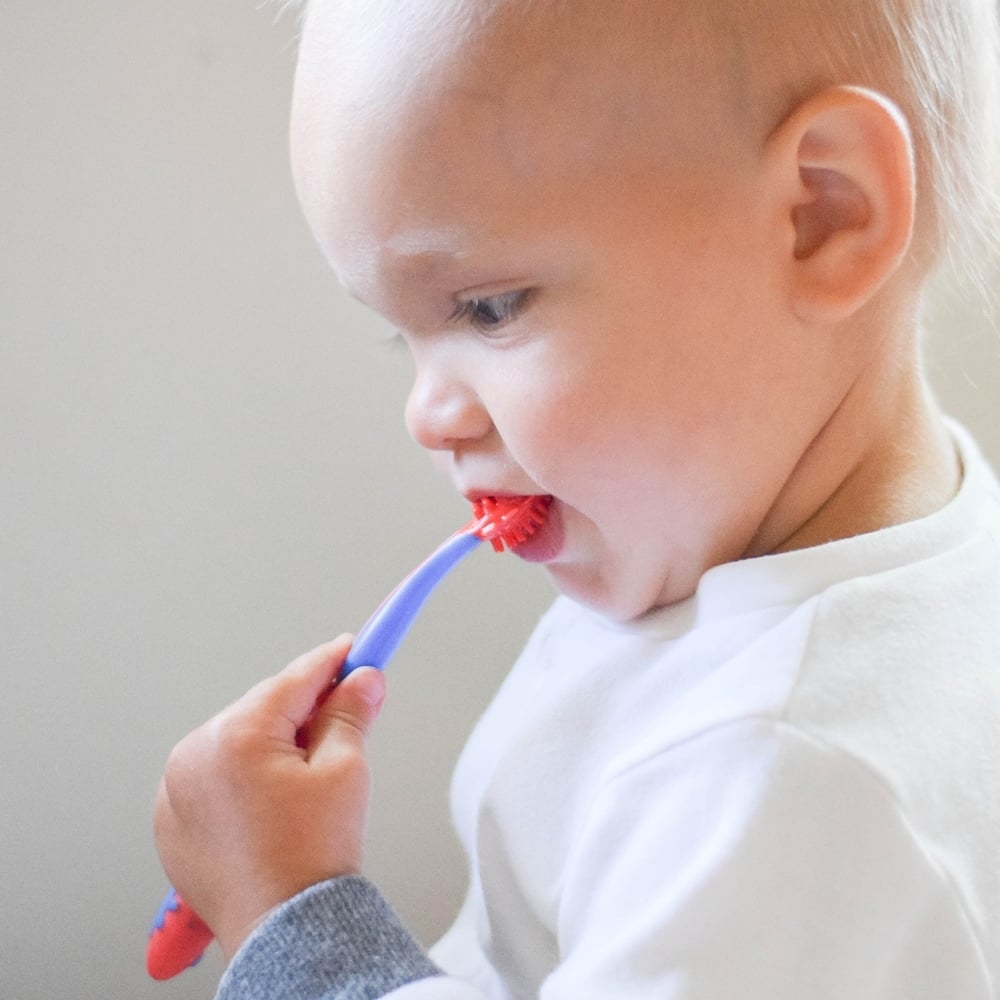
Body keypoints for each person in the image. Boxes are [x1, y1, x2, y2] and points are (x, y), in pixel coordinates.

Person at [153, 0, 1000, 996]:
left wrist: (291, 918)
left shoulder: (780, 783)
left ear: (823, 212)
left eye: (487, 305)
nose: (428, 415)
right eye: (404, 333)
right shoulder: (804, 540)